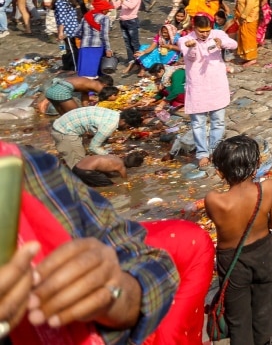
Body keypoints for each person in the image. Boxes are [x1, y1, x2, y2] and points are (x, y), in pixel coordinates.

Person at [0, 142, 181, 343]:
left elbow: (150, 265)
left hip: (80, 169)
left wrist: (112, 292)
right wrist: (125, 186)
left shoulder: (36, 166)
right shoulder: (117, 164)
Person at [205, 135, 272, 345]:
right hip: (263, 255)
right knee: (264, 313)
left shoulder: (214, 200)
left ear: (220, 172)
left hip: (232, 262)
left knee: (238, 320)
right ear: (257, 164)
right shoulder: (267, 188)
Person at [179, 13, 237, 168]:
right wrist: (192, 48)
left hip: (216, 83)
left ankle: (215, 150)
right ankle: (202, 153)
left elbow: (234, 44)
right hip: (197, 85)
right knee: (198, 123)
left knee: (218, 120)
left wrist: (221, 42)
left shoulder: (217, 34)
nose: (205, 34)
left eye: (207, 31)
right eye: (201, 31)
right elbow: (189, 57)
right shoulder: (185, 40)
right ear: (194, 28)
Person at [50, 105, 143, 169]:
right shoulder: (109, 126)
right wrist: (113, 157)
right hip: (64, 131)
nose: (126, 129)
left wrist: (109, 140)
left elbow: (94, 128)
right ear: (123, 121)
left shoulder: (114, 114)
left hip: (64, 123)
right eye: (128, 126)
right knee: (80, 165)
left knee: (83, 157)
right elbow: (93, 147)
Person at [35, 73, 116, 115]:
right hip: (60, 91)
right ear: (105, 85)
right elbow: (105, 96)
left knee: (64, 117)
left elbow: (84, 99)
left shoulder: (88, 83)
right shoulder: (98, 86)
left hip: (51, 90)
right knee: (76, 115)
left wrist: (87, 109)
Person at [51, 0, 82, 72]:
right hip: (73, 27)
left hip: (67, 30)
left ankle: (74, 68)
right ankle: (66, 67)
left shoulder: (60, 2)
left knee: (70, 50)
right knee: (64, 49)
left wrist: (60, 32)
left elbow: (62, 18)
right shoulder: (69, 0)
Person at [234, 0, 264, 65]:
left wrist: (243, 16)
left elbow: (250, 5)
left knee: (249, 38)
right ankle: (246, 57)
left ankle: (252, 58)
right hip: (243, 18)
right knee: (244, 37)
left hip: (249, 18)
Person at [117, 0, 142, 65]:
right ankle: (131, 60)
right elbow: (115, 6)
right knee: (127, 42)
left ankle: (139, 61)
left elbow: (131, 6)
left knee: (134, 42)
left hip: (131, 21)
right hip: (122, 21)